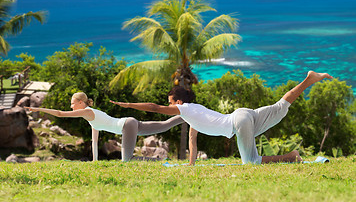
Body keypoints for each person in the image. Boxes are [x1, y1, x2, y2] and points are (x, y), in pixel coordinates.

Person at [110, 71, 333, 165]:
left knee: (251, 162)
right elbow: (192, 140)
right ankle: (309, 80)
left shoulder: (184, 109)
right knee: (280, 105)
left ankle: (291, 156)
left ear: (177, 102)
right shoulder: (195, 111)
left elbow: (155, 108)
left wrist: (129, 104)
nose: (169, 106)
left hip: (238, 122)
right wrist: (191, 164)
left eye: (170, 102)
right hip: (243, 115)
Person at [25, 92, 184, 162]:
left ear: (81, 103)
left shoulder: (87, 112)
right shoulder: (91, 118)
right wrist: (95, 161)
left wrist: (39, 109)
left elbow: (60, 114)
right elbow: (95, 142)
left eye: (73, 104)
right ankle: (186, 116)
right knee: (164, 125)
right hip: (129, 123)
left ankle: (158, 161)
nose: (71, 107)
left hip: (126, 126)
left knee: (127, 160)